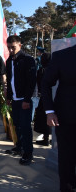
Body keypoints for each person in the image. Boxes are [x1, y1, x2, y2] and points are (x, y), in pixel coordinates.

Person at [42, 44, 76, 191]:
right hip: (67, 117)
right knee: (67, 158)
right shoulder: (62, 56)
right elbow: (46, 83)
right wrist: (50, 111)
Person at [5, 35, 36, 165]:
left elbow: (31, 82)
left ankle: (28, 153)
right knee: (17, 124)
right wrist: (9, 97)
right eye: (9, 48)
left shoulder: (28, 60)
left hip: (25, 99)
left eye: (13, 47)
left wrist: (27, 100)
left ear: (20, 45)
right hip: (15, 99)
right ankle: (19, 147)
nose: (11, 50)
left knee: (25, 126)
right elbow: (10, 80)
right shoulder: (9, 61)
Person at [33, 52, 51, 146]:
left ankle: (46, 138)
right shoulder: (53, 69)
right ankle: (49, 138)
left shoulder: (42, 70)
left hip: (44, 97)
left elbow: (39, 83)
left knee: (44, 119)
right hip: (53, 97)